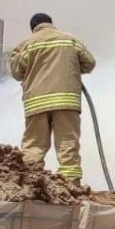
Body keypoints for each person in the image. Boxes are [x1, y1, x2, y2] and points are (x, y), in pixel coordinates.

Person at [8, 13, 96, 183]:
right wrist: (69, 68)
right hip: (66, 101)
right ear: (51, 23)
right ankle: (70, 186)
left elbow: (17, 73)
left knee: (34, 146)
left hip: (36, 102)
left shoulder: (27, 44)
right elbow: (89, 62)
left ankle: (31, 185)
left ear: (33, 28)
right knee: (67, 144)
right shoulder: (69, 40)